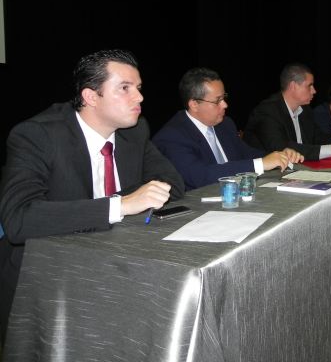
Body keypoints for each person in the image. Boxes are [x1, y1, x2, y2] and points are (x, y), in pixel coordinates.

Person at [0, 49, 185, 344]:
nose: (139, 97)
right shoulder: (37, 135)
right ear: (90, 97)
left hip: (116, 263)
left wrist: (121, 204)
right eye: (125, 88)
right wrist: (120, 205)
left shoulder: (134, 131)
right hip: (47, 279)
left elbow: (172, 183)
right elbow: (19, 219)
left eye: (138, 88)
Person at [152, 68, 304, 191]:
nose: (225, 105)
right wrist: (260, 164)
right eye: (217, 100)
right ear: (194, 105)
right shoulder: (172, 136)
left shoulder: (224, 124)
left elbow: (246, 154)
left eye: (223, 97)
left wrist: (280, 156)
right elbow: (200, 176)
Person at [243, 63, 331, 160]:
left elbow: (318, 137)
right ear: (293, 86)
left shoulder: (304, 109)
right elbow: (282, 148)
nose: (314, 91)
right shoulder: (267, 111)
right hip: (265, 175)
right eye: (309, 86)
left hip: (297, 169)